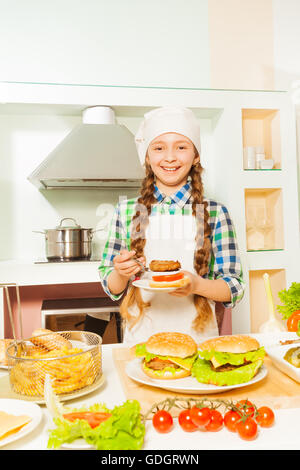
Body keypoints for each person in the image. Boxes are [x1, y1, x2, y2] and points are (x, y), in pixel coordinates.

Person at [98, 106, 245, 344]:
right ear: (147, 157)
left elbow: (233, 287)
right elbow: (112, 287)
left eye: (181, 147)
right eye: (158, 148)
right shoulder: (127, 211)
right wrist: (120, 272)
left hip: (199, 339)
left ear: (196, 156)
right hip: (141, 339)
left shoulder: (216, 213)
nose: (169, 157)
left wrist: (197, 285)